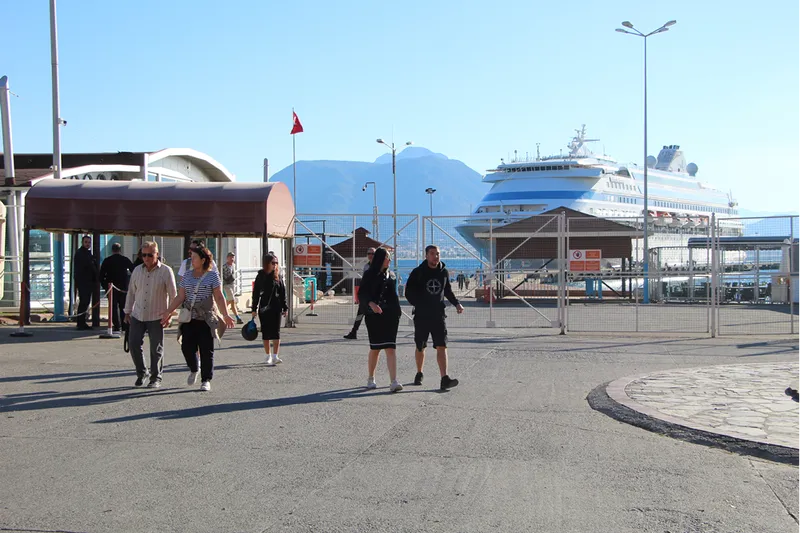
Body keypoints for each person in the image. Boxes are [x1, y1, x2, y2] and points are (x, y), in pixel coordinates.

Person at [162, 245, 234, 392]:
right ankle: (194, 368)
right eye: (191, 256)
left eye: (194, 257)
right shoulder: (187, 275)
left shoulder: (212, 276)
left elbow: (219, 297)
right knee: (186, 347)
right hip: (189, 317)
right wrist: (168, 311)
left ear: (203, 260)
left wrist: (226, 314)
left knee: (206, 350)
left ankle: (206, 379)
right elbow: (180, 296)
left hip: (206, 318)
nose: (191, 259)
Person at [405, 245, 463, 391]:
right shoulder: (418, 272)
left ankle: (444, 378)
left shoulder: (443, 272)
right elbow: (408, 292)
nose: (435, 256)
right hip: (422, 315)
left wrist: (456, 303)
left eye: (437, 254)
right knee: (420, 346)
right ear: (426, 255)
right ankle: (419, 372)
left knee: (442, 345)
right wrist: (419, 303)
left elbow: (447, 290)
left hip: (438, 315)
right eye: (432, 254)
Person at [124, 241, 177, 387]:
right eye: (144, 255)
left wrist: (170, 314)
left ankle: (156, 377)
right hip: (138, 314)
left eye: (150, 255)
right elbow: (131, 293)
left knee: (156, 348)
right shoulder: (137, 271)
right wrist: (127, 311)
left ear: (157, 254)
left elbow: (174, 295)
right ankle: (142, 373)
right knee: (133, 344)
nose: (146, 258)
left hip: (157, 315)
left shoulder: (166, 271)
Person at [360, 247, 403, 392]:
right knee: (376, 348)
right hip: (373, 316)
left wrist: (397, 312)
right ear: (380, 259)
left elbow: (393, 296)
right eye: (386, 257)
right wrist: (371, 304)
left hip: (390, 315)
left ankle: (394, 381)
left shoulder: (391, 275)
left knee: (390, 347)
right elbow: (362, 293)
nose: (389, 260)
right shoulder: (369, 274)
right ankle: (371, 377)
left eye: (389, 257)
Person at [251, 253, 289, 365]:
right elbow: (256, 294)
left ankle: (275, 356)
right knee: (266, 332)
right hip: (264, 307)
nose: (275, 265)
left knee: (276, 332)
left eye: (276, 263)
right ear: (267, 263)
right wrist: (254, 308)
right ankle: (268, 356)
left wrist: (285, 307)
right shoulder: (261, 276)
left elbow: (282, 293)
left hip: (276, 307)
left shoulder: (278, 276)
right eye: (273, 263)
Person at [99, 242, 135, 333]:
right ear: (120, 250)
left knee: (113, 307)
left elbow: (101, 275)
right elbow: (133, 271)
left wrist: (105, 286)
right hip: (123, 288)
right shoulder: (125, 259)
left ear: (112, 250)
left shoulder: (107, 260)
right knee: (123, 307)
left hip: (111, 287)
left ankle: (116, 325)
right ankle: (124, 325)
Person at [344, 247, 376, 340]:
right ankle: (354, 331)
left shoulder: (378, 266)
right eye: (369, 253)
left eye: (373, 254)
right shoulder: (366, 266)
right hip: (366, 294)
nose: (370, 255)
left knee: (375, 315)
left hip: (375, 294)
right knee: (360, 313)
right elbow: (364, 280)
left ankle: (377, 334)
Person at [73, 235, 98, 330]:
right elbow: (87, 267)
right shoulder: (80, 253)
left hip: (88, 282)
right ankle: (80, 323)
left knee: (86, 302)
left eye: (89, 242)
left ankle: (82, 322)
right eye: (86, 242)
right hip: (83, 282)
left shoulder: (87, 253)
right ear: (82, 242)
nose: (88, 244)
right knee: (84, 302)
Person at [222, 252, 243, 324]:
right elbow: (222, 276)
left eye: (233, 257)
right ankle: (238, 317)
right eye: (230, 257)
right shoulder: (224, 267)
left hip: (232, 284)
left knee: (228, 301)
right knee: (232, 301)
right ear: (227, 258)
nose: (232, 258)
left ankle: (221, 313)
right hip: (226, 285)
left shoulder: (233, 265)